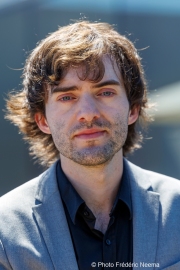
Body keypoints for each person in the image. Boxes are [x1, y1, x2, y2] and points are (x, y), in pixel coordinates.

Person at [0, 21, 180, 270]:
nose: (87, 113)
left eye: (105, 92)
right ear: (42, 120)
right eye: (67, 97)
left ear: (133, 109)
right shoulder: (4, 230)